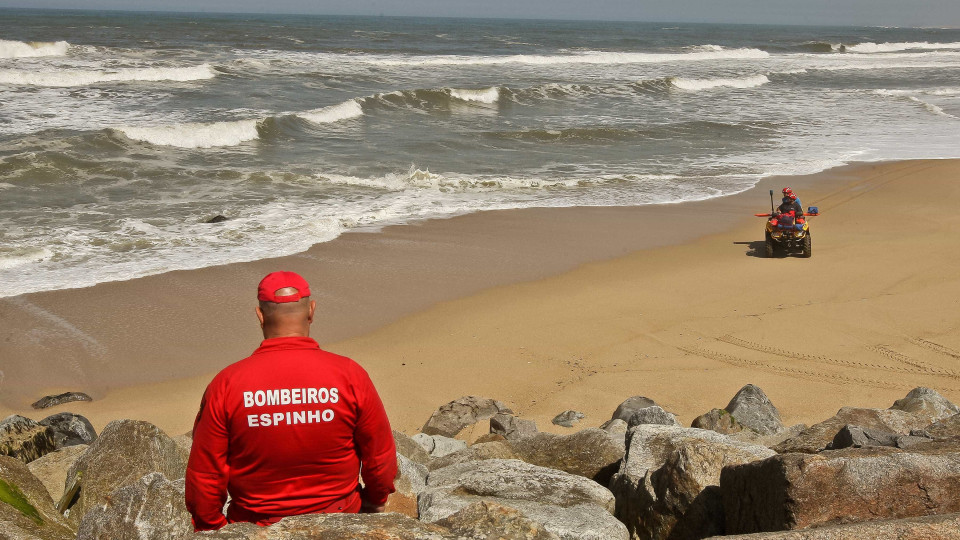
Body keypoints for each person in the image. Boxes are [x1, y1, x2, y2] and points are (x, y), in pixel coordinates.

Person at [185, 271, 396, 531]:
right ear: (312, 311)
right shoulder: (350, 375)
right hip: (340, 519)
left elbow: (205, 472)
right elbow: (379, 454)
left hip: (257, 526)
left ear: (260, 316)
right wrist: (375, 502)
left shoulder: (227, 384)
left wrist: (213, 527)